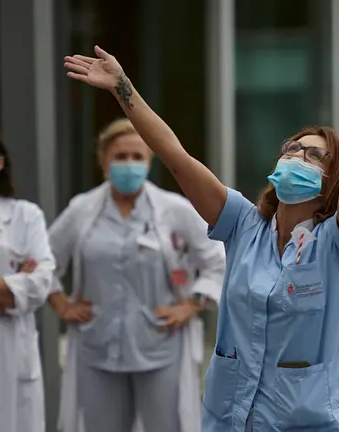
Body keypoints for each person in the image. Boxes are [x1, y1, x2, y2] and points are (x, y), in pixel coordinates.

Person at [63, 46, 339, 432]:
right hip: (229, 418)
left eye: (313, 156)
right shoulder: (242, 222)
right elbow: (175, 156)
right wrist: (122, 87)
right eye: (292, 149)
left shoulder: (334, 242)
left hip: (303, 421)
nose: (296, 157)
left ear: (331, 180)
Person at [47, 118, 226, 432]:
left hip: (160, 346)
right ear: (103, 160)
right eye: (120, 157)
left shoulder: (175, 210)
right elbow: (43, 259)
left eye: (137, 157)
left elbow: (218, 260)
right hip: (97, 347)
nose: (128, 164)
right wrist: (60, 304)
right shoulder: (82, 209)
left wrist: (192, 303)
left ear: (149, 162)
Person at [0, 120, 56, 432]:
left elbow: (41, 284)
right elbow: (25, 287)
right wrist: (7, 290)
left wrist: (18, 291)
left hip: (13, 354)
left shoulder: (26, 216)